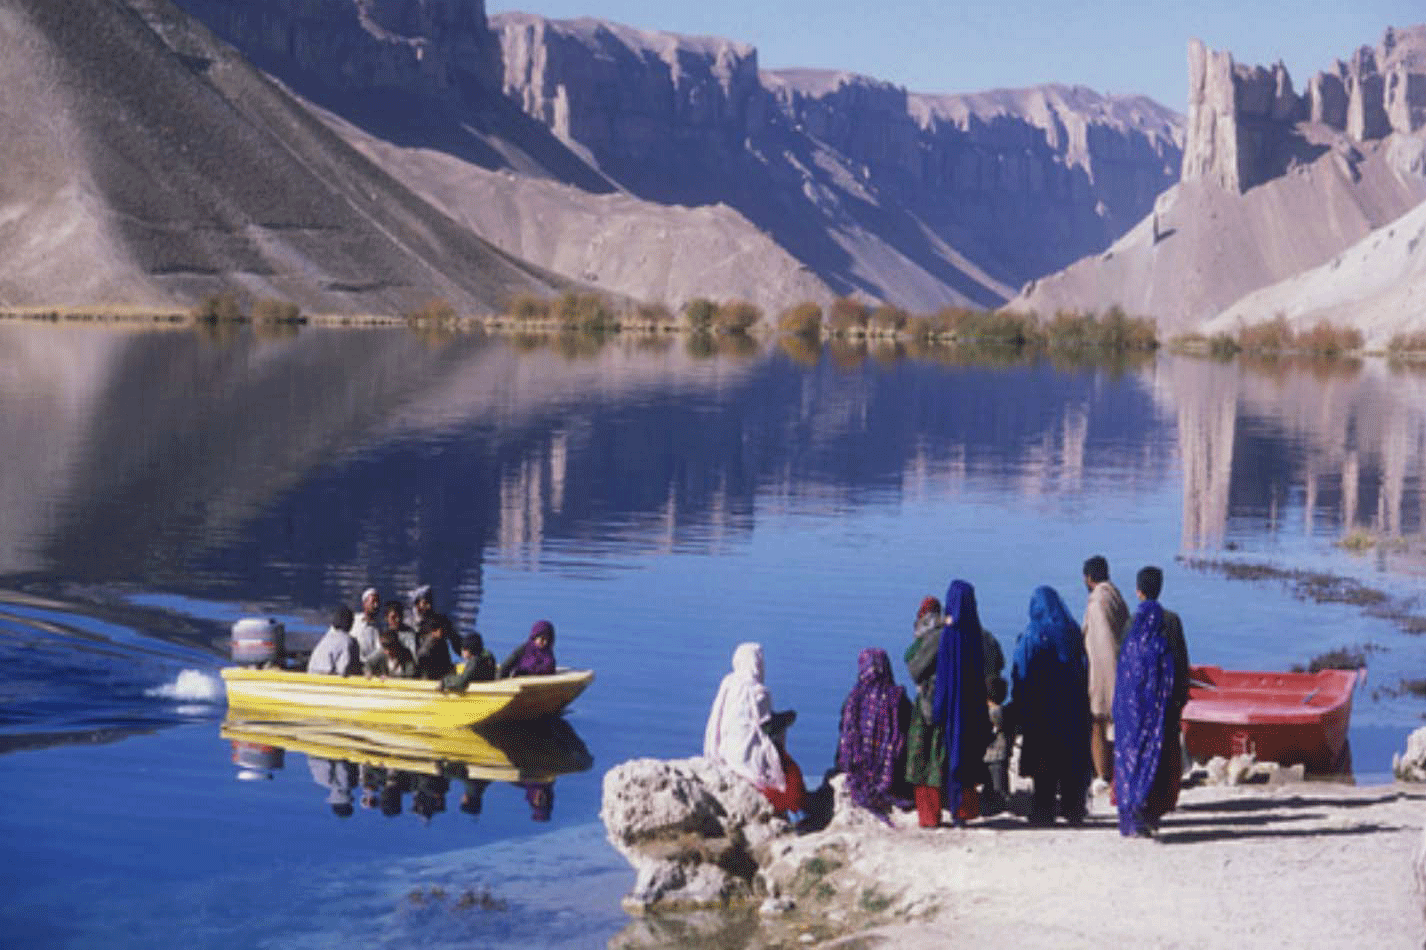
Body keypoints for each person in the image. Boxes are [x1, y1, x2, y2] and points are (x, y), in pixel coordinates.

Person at [1008, 585, 1092, 826]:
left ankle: (1044, 809)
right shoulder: (1072, 633)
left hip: (1042, 710)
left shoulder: (1032, 636)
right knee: (1070, 759)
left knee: (1044, 762)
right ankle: (1074, 807)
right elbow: (1085, 668)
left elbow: (1021, 671)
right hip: (1071, 708)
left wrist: (1020, 705)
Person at [1112, 566, 1183, 838]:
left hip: (1133, 706)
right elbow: (1180, 662)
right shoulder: (1171, 622)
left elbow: (1123, 665)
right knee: (1160, 755)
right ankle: (1153, 812)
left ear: (1138, 591)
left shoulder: (1131, 623)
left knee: (1134, 753)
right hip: (1162, 705)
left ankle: (1135, 809)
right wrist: (1177, 699)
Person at [703, 642, 806, 814]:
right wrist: (788, 718)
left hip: (724, 750)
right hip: (748, 757)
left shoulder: (728, 683)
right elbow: (766, 728)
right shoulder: (759, 692)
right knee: (791, 774)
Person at [934, 580, 991, 826]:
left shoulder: (949, 636)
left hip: (954, 706)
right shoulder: (975, 633)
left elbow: (944, 676)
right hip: (974, 704)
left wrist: (939, 708)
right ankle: (967, 810)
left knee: (954, 754)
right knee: (969, 754)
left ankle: (957, 811)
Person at [835, 647, 909, 822]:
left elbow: (845, 734)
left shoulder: (854, 698)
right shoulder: (896, 698)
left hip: (859, 768)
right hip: (893, 772)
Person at [1082, 554, 1130, 794]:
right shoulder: (1115, 595)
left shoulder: (1097, 600)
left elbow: (1101, 642)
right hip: (1121, 667)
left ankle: (1103, 774)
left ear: (1088, 578)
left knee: (1098, 721)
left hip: (1104, 671)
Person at [904, 596, 948, 828]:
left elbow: (914, 667)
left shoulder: (932, 636)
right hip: (949, 700)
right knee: (939, 754)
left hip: (929, 701)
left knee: (924, 756)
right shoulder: (953, 632)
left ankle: (929, 815)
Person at [983, 675, 1010, 815]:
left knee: (993, 783)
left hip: (991, 752)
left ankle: (994, 805)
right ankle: (998, 803)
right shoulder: (1001, 710)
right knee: (998, 781)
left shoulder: (993, 711)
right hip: (1000, 753)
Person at [307, 606, 361, 676]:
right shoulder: (347, 641)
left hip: (310, 683)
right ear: (350, 623)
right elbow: (343, 672)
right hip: (329, 683)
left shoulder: (325, 639)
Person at [414, 614, 457, 680]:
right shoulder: (427, 642)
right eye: (437, 628)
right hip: (425, 678)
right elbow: (421, 659)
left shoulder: (443, 643)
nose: (441, 631)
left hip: (439, 677)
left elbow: (447, 664)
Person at [350, 587, 383, 665]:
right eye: (373, 602)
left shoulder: (379, 628)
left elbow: (379, 651)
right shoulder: (353, 620)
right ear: (364, 603)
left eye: (377, 602)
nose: (376, 605)